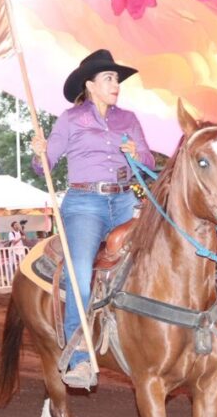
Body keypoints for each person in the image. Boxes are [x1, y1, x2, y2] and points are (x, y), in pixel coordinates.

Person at [30, 49, 154, 389]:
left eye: (117, 79)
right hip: (85, 203)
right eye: (109, 78)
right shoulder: (71, 119)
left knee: (147, 265)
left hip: (124, 199)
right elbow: (44, 166)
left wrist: (137, 154)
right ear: (91, 84)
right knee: (81, 271)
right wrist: (39, 152)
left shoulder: (127, 119)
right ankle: (78, 355)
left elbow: (148, 162)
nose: (116, 85)